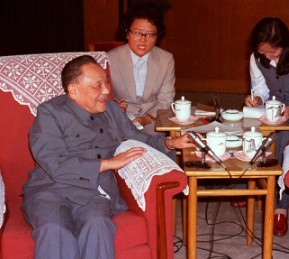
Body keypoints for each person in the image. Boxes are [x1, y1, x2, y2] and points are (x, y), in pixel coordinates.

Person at [21, 55, 195, 259]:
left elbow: (139, 139)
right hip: (50, 189)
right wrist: (107, 164)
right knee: (54, 229)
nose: (106, 90)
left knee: (97, 225)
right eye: (97, 85)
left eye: (106, 82)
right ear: (73, 90)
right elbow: (53, 163)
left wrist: (169, 143)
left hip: (94, 190)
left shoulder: (112, 110)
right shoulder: (50, 113)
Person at [241, 17, 289, 236]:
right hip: (273, 112)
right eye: (263, 52)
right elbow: (260, 89)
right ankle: (251, 189)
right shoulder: (256, 58)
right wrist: (256, 99)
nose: (267, 56)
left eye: (273, 52)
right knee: (247, 134)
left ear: (285, 44)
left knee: (285, 143)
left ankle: (280, 206)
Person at [108, 2, 175, 135]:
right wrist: (113, 106)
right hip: (119, 118)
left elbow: (166, 100)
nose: (143, 40)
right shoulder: (110, 59)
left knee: (161, 150)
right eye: (138, 33)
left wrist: (146, 119)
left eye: (150, 35)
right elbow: (101, 96)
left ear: (157, 36)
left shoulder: (166, 59)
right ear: (127, 33)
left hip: (153, 120)